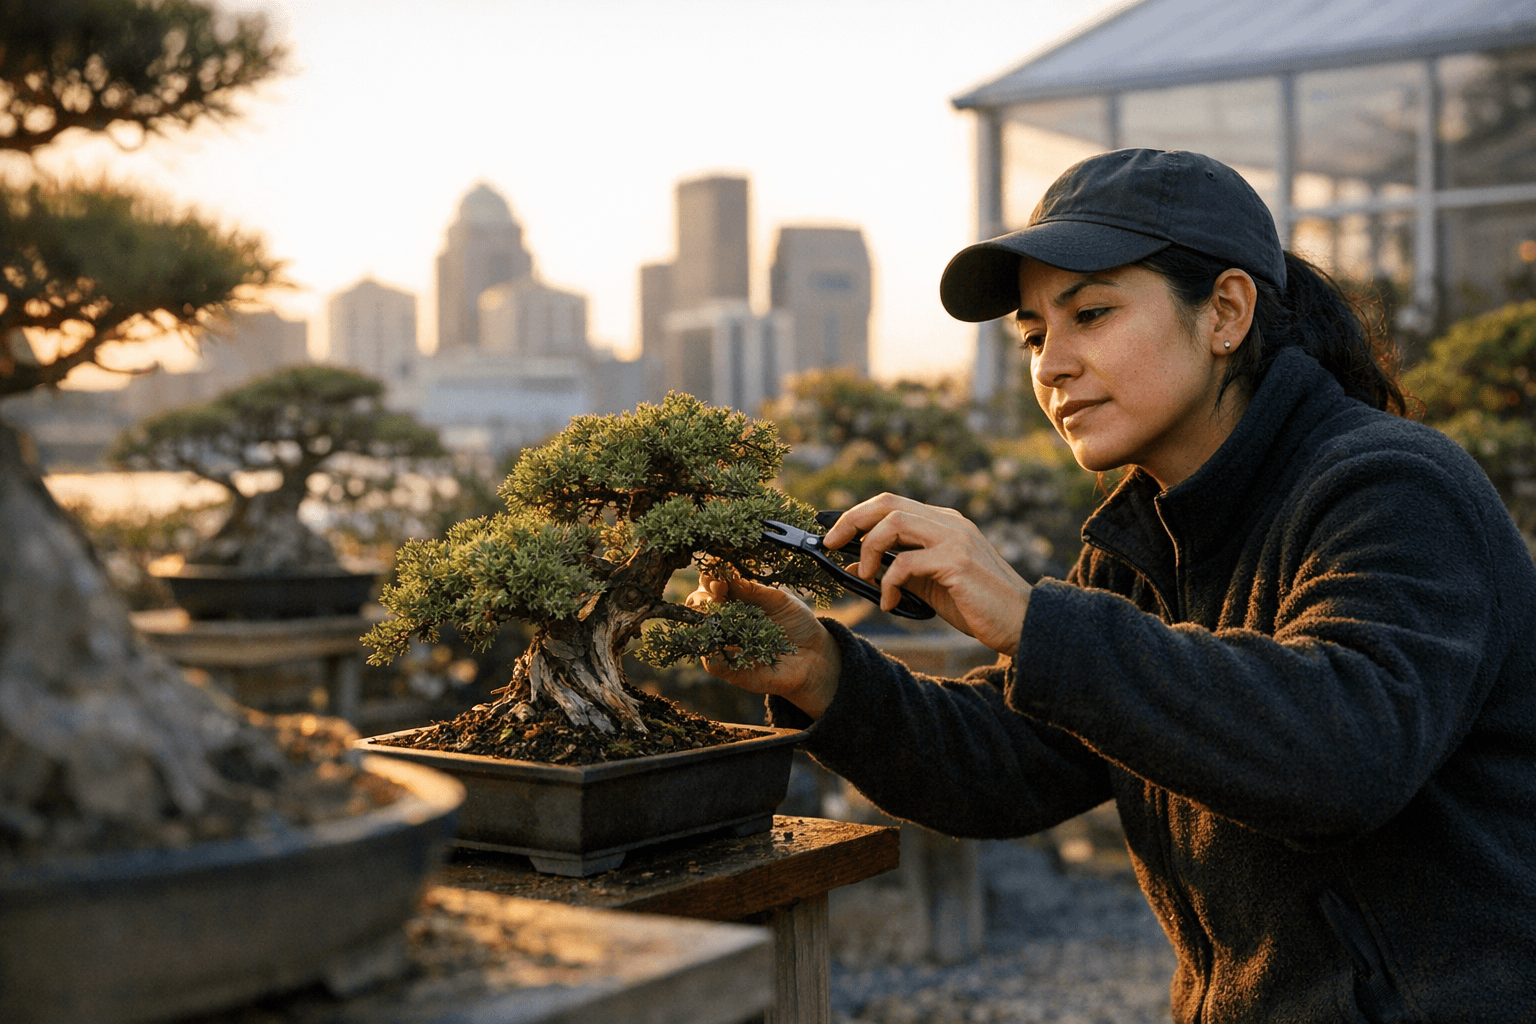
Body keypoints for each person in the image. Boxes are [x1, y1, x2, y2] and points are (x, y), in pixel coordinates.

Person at [691, 148, 1536, 1022]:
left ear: (1226, 313)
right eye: (1032, 333)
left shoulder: (1393, 486)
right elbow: (1018, 761)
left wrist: (1027, 617)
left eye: (1090, 313)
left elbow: (1347, 751)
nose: (1051, 363)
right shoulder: (1152, 531)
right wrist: (819, 671)